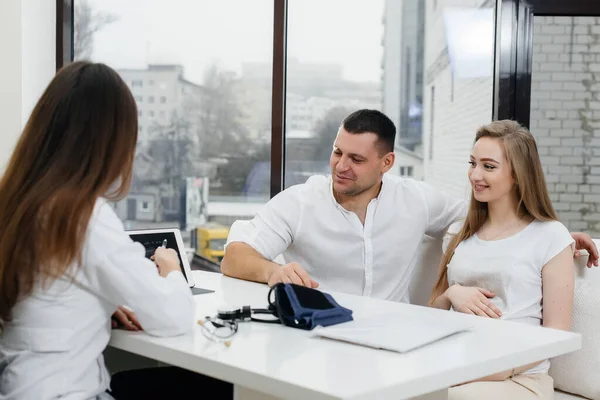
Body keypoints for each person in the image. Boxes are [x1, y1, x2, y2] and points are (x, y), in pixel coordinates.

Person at [0, 62, 230, 400]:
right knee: (217, 390)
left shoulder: (16, 202)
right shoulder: (82, 217)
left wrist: (100, 304)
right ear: (110, 143)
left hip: (21, 388)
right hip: (66, 394)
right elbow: (174, 317)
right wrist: (172, 269)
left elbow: (44, 297)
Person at [222, 109, 598, 303]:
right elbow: (234, 257)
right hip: (316, 333)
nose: (340, 165)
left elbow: (489, 217)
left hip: (393, 340)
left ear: (386, 163)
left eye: (356, 158)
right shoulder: (300, 202)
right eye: (337, 152)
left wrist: (551, 235)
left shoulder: (415, 199)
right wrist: (273, 272)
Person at [429, 120, 575, 399]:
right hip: (455, 365)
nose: (475, 174)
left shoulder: (551, 236)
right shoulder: (459, 234)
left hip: (518, 378)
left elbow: (557, 335)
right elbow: (431, 312)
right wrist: (452, 293)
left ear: (519, 174)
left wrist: (497, 370)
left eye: (488, 166)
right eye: (472, 163)